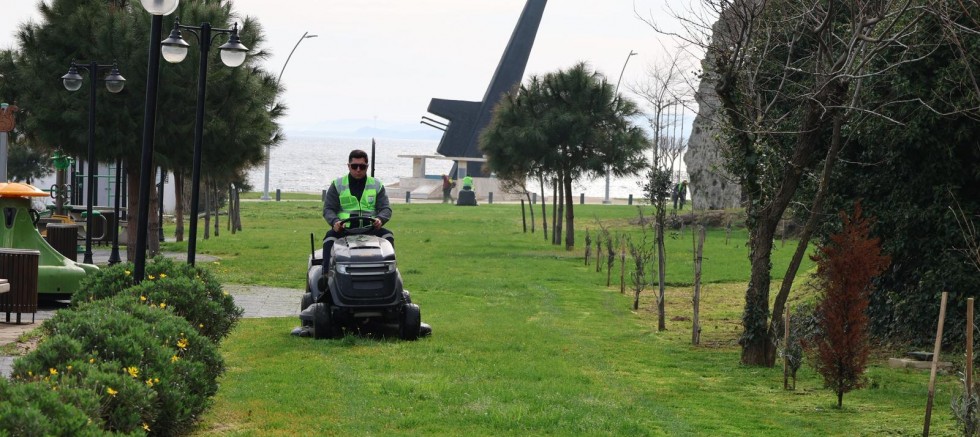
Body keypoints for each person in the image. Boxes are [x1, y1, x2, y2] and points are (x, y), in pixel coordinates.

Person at [322, 149, 394, 271]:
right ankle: (325, 275)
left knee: (388, 236)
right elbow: (328, 209)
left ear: (367, 167)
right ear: (349, 166)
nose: (358, 170)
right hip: (344, 230)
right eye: (355, 166)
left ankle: (389, 272)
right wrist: (335, 222)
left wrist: (380, 219)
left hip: (371, 229)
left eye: (362, 166)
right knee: (329, 238)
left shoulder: (377, 185)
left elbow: (385, 208)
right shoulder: (337, 185)